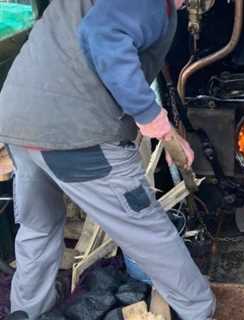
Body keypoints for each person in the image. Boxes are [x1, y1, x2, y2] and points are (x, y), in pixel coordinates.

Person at [0, 0, 216, 319]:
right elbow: (102, 33)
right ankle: (200, 310)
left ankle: (27, 311)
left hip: (19, 120)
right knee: (146, 228)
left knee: (39, 225)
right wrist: (159, 126)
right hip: (76, 131)